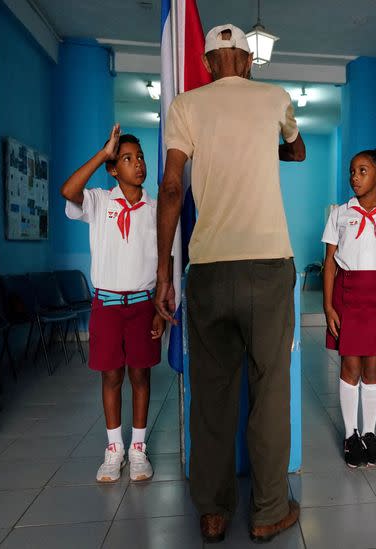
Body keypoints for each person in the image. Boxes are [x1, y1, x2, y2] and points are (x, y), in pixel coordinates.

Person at [154, 24, 306, 543]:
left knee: (211, 396)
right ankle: (267, 512)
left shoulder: (185, 105)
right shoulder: (276, 97)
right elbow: (297, 148)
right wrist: (274, 143)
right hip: (268, 267)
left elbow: (172, 186)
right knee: (270, 390)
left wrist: (162, 274)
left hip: (209, 270)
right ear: (245, 60)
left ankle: (213, 512)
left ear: (208, 63)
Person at [61, 124, 164, 483]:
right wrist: (103, 153)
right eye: (126, 158)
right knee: (111, 375)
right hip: (106, 305)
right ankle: (113, 449)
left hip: (143, 304)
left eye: (140, 158)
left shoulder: (155, 209)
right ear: (113, 168)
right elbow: (68, 190)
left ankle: (137, 449)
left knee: (140, 374)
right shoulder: (99, 201)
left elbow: (164, 261)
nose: (137, 164)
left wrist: (163, 309)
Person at [322, 148, 376, 468]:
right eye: (351, 171)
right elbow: (329, 263)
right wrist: (328, 307)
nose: (354, 177)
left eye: (362, 171)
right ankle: (351, 436)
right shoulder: (339, 214)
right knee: (351, 368)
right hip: (347, 297)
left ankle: (370, 434)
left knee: (373, 368)